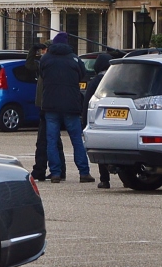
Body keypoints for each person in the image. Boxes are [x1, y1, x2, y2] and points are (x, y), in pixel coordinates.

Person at [39, 32, 92, 183]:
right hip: (71, 104)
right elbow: (82, 74)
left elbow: (42, 74)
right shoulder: (74, 58)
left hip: (50, 104)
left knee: (52, 139)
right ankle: (84, 172)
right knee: (76, 139)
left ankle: (55, 173)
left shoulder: (46, 58)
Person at [23, 40, 58, 181]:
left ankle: (41, 169)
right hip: (46, 105)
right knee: (54, 140)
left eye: (44, 49)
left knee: (44, 140)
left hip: (47, 105)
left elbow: (30, 65)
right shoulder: (46, 64)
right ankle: (57, 170)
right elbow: (29, 65)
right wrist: (33, 49)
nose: (42, 52)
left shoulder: (47, 64)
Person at [85, 51, 114, 188]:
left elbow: (87, 102)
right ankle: (126, 180)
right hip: (118, 120)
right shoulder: (117, 78)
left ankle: (105, 179)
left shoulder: (96, 81)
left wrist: (84, 121)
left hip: (101, 119)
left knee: (102, 149)